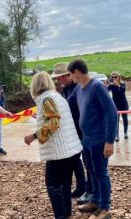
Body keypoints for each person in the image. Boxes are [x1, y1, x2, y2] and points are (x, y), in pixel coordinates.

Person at [24, 71, 83, 219]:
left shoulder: (46, 100)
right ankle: (66, 213)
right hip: (71, 150)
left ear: (36, 86)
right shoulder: (58, 97)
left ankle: (61, 215)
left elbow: (53, 123)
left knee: (53, 185)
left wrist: (34, 136)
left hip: (59, 152)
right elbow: (58, 120)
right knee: (65, 184)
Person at [67, 60, 118, 219]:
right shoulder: (78, 89)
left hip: (99, 139)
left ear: (76, 72)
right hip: (87, 139)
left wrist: (109, 141)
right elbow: (67, 104)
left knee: (101, 172)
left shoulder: (97, 87)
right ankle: (95, 200)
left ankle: (105, 208)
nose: (69, 77)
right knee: (91, 170)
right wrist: (47, 112)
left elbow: (112, 113)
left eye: (70, 74)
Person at [51, 62, 91, 201]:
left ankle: (91, 191)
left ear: (68, 75)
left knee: (87, 161)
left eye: (59, 78)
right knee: (75, 160)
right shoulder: (65, 89)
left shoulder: (78, 88)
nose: (57, 81)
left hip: (82, 131)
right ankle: (82, 186)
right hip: (72, 130)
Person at [106, 71, 129, 141]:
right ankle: (117, 135)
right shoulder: (112, 85)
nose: (114, 79)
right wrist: (106, 85)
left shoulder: (122, 84)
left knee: (125, 118)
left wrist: (118, 85)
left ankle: (125, 133)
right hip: (115, 105)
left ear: (119, 77)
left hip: (123, 104)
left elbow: (123, 91)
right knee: (116, 120)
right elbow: (105, 91)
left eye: (115, 77)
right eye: (112, 77)